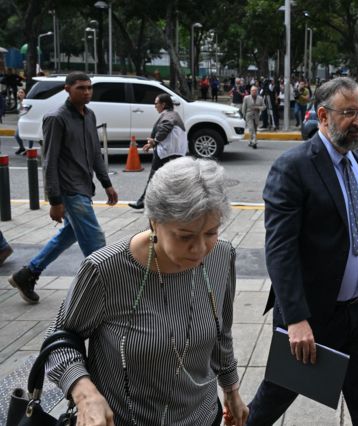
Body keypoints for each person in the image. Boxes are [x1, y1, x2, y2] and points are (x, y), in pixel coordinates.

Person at [46, 157, 249, 425]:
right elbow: (58, 343)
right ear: (154, 221)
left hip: (203, 416)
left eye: (210, 232)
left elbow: (221, 333)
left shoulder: (222, 255)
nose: (200, 249)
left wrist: (231, 389)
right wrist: (85, 395)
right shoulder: (106, 269)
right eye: (185, 236)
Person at [246, 77, 358, 425]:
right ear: (323, 116)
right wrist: (296, 319)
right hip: (313, 315)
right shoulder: (293, 166)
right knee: (276, 396)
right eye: (349, 113)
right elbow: (280, 248)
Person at [9, 72, 118, 304]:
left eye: (89, 88)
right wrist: (55, 201)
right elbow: (49, 162)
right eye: (81, 88)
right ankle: (106, 289)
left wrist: (106, 183)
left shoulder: (89, 116)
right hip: (69, 189)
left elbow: (96, 153)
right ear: (67, 89)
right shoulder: (56, 118)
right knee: (95, 240)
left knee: (68, 235)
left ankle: (27, 274)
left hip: (84, 186)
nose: (86, 92)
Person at [128, 93, 188, 210]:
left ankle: (144, 201)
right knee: (170, 178)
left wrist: (154, 141)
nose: (155, 106)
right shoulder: (172, 114)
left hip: (167, 152)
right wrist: (153, 142)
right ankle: (171, 202)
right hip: (173, 151)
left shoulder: (168, 116)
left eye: (156, 103)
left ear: (163, 104)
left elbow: (166, 127)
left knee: (155, 176)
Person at [14, 88, 34, 155]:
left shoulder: (27, 101)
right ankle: (22, 147)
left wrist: (21, 102)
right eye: (19, 92)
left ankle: (30, 149)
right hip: (21, 120)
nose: (20, 94)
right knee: (17, 135)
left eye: (22, 92)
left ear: (25, 94)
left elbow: (23, 111)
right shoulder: (19, 101)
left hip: (28, 120)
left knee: (30, 136)